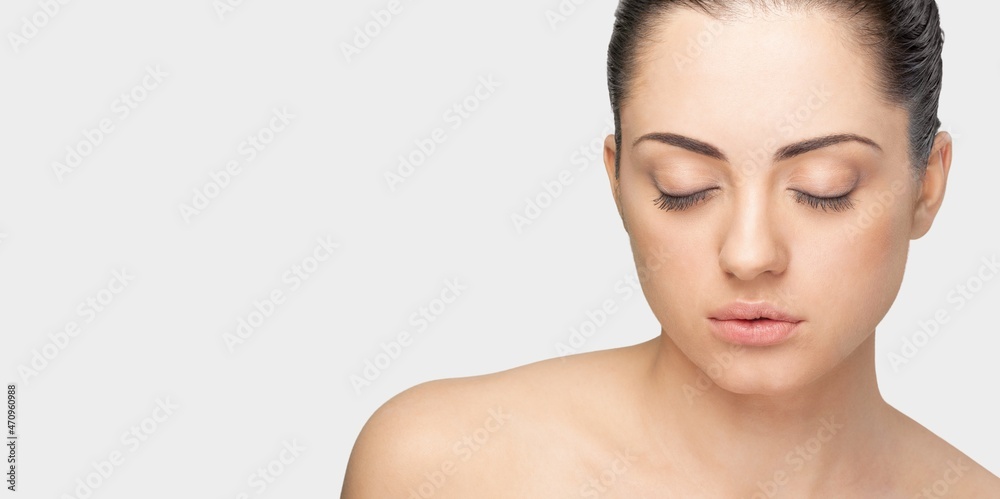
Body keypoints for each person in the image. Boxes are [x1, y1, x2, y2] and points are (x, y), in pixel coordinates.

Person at [342, 1, 1000, 496]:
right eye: (683, 188)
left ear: (927, 184)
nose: (748, 254)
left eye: (823, 188)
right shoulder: (442, 467)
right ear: (619, 179)